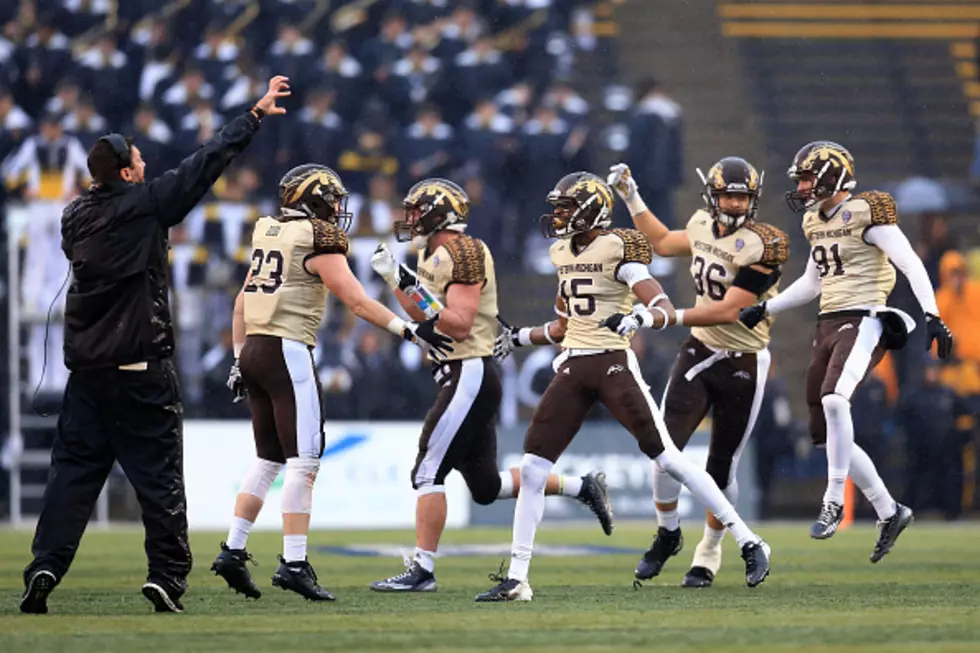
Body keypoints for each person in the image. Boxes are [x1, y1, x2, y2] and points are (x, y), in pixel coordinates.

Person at [19, 76, 292, 616]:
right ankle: (166, 575)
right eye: (139, 162)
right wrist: (254, 116)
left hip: (88, 373)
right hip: (141, 367)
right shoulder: (147, 205)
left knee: (71, 477)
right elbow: (206, 161)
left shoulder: (72, 216)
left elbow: (98, 225)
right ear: (126, 173)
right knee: (159, 477)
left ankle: (46, 566)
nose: (145, 166)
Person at [478, 172, 771, 602]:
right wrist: (521, 337)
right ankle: (518, 579)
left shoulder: (618, 247)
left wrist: (640, 318)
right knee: (535, 468)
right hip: (574, 366)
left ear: (591, 209)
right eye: (556, 206)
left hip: (613, 364)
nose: (557, 215)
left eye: (565, 206)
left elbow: (661, 304)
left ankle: (748, 540)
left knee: (668, 459)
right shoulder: (561, 251)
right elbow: (565, 324)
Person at [210, 165, 453, 602]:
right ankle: (294, 563)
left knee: (268, 459)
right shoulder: (316, 238)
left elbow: (241, 301)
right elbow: (357, 302)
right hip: (286, 350)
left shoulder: (270, 230)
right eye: (333, 200)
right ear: (314, 201)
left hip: (254, 350)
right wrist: (410, 331)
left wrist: (236, 357)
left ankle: (232, 549)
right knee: (304, 461)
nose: (339, 209)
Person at [366, 178, 614, 593]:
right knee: (486, 487)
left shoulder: (465, 252)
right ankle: (582, 486)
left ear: (436, 213)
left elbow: (459, 324)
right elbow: (425, 312)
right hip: (461, 374)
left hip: (469, 371)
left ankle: (422, 570)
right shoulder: (432, 251)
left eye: (414, 211)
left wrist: (406, 282)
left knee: (428, 470)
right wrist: (396, 281)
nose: (407, 219)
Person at [739, 141, 954, 561]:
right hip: (828, 322)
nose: (801, 186)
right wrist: (768, 307)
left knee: (836, 399)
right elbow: (813, 283)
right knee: (825, 434)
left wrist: (933, 314)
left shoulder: (867, 211)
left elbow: (910, 262)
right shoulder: (812, 220)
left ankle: (833, 500)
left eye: (807, 177)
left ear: (832, 176)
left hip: (867, 317)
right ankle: (890, 511)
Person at [603, 157, 787, 588]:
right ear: (713, 195)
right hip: (699, 351)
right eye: (729, 195)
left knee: (723, 465)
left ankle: (709, 551)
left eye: (743, 196)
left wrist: (660, 318)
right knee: (663, 450)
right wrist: (631, 196)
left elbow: (729, 309)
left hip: (744, 360)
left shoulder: (766, 244)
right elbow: (664, 242)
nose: (737, 204)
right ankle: (668, 534)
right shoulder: (703, 224)